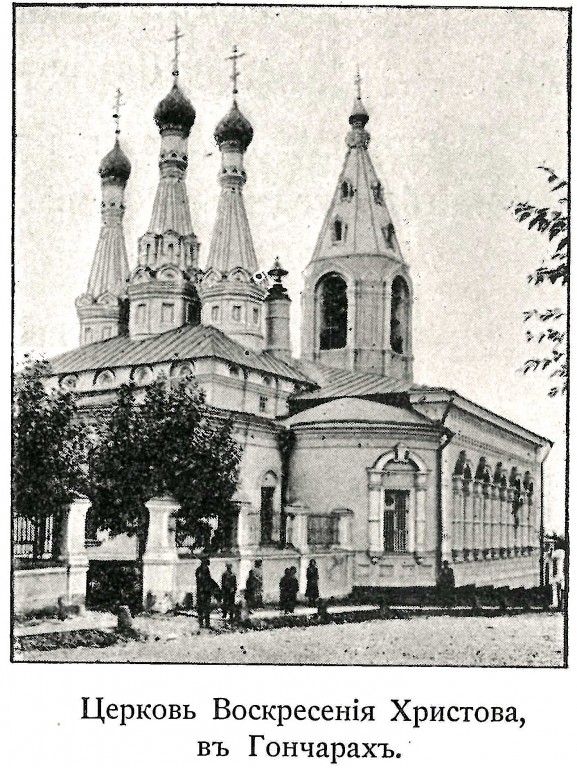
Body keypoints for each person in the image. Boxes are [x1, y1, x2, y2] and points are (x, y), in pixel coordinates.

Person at [195, 558, 219, 629]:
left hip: (207, 593)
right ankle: (201, 624)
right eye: (205, 564)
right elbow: (200, 581)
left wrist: (214, 586)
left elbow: (209, 579)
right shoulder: (199, 571)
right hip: (201, 592)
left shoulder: (207, 570)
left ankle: (207, 624)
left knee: (207, 609)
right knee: (200, 609)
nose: (206, 566)